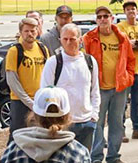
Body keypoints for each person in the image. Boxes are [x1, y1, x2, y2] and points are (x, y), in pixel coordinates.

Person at [83, 5, 135, 163]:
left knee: (117, 123)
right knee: (97, 123)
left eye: (106, 16)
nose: (103, 19)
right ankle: (96, 158)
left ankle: (113, 157)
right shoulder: (89, 38)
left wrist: (128, 77)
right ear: (96, 20)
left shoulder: (121, 37)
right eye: (100, 17)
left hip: (119, 88)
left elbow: (131, 60)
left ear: (112, 18)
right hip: (98, 89)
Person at [40, 24, 100, 155]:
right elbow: (45, 93)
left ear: (80, 40)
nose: (68, 42)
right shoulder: (53, 63)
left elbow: (95, 90)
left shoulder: (90, 61)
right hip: (62, 125)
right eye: (65, 39)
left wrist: (94, 116)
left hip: (86, 123)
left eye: (72, 39)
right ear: (60, 40)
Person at [4, 17, 48, 135]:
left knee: (40, 135)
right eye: (26, 31)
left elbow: (47, 75)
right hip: (20, 102)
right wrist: (29, 102)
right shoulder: (15, 51)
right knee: (18, 136)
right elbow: (12, 80)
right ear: (21, 32)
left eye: (33, 31)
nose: (30, 34)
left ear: (38, 31)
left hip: (40, 100)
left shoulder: (42, 49)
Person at [118, 2, 138, 139]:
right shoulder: (121, 27)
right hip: (126, 70)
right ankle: (120, 130)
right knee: (123, 102)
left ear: (137, 11)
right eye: (128, 9)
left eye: (133, 9)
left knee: (137, 102)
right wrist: (133, 43)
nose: (131, 12)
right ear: (124, 12)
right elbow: (121, 42)